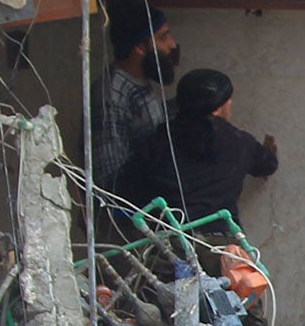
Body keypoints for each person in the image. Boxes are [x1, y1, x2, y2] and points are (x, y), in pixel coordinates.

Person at [118, 69, 278, 226]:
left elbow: (128, 187)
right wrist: (267, 152)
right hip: (222, 244)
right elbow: (268, 164)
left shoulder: (156, 139)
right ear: (217, 109)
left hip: (165, 241)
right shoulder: (240, 143)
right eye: (228, 100)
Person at [96, 0, 179, 195]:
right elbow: (108, 181)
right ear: (140, 48)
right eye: (163, 37)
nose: (172, 45)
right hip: (129, 220)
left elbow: (146, 124)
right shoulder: (112, 96)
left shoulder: (137, 80)